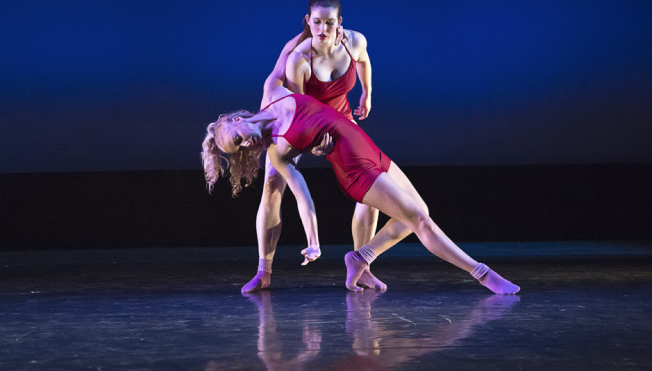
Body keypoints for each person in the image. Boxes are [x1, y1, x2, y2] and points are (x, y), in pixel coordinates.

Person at [201, 85, 520, 295]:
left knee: (420, 214)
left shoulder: (277, 91)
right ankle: (482, 274)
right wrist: (313, 242)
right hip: (356, 171)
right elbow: (302, 195)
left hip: (370, 150)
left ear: (234, 119)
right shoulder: (277, 151)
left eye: (238, 138)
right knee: (420, 222)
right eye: (239, 149)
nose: (246, 144)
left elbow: (299, 51)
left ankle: (361, 257)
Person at [247, 0, 382, 293]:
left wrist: (366, 93)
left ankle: (363, 265)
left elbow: (364, 60)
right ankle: (263, 271)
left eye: (330, 23)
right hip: (294, 117)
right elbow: (300, 109)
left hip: (339, 115)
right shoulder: (296, 54)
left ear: (339, 23)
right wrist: (311, 143)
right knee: (272, 185)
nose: (323, 28)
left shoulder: (352, 41)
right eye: (317, 22)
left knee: (371, 184)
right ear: (308, 21)